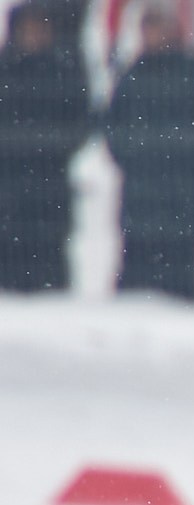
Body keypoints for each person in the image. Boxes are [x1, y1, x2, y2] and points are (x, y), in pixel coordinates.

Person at [103, 3, 194, 301]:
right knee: (136, 277)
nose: (152, 33)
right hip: (141, 196)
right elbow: (114, 128)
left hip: (181, 198)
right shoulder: (132, 76)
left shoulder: (193, 74)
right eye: (148, 26)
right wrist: (138, 157)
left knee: (181, 282)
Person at [0, 1, 89, 295]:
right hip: (9, 181)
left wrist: (47, 145)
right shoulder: (7, 71)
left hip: (50, 178)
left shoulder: (63, 71)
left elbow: (80, 122)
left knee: (49, 247)